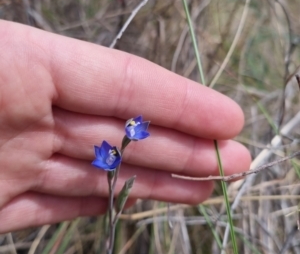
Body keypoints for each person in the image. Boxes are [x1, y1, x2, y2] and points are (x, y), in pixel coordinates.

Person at [0, 20, 251, 233]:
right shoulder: (108, 157)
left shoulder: (121, 148)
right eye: (132, 130)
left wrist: (116, 155)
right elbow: (111, 156)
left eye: (135, 130)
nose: (133, 132)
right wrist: (111, 159)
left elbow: (121, 149)